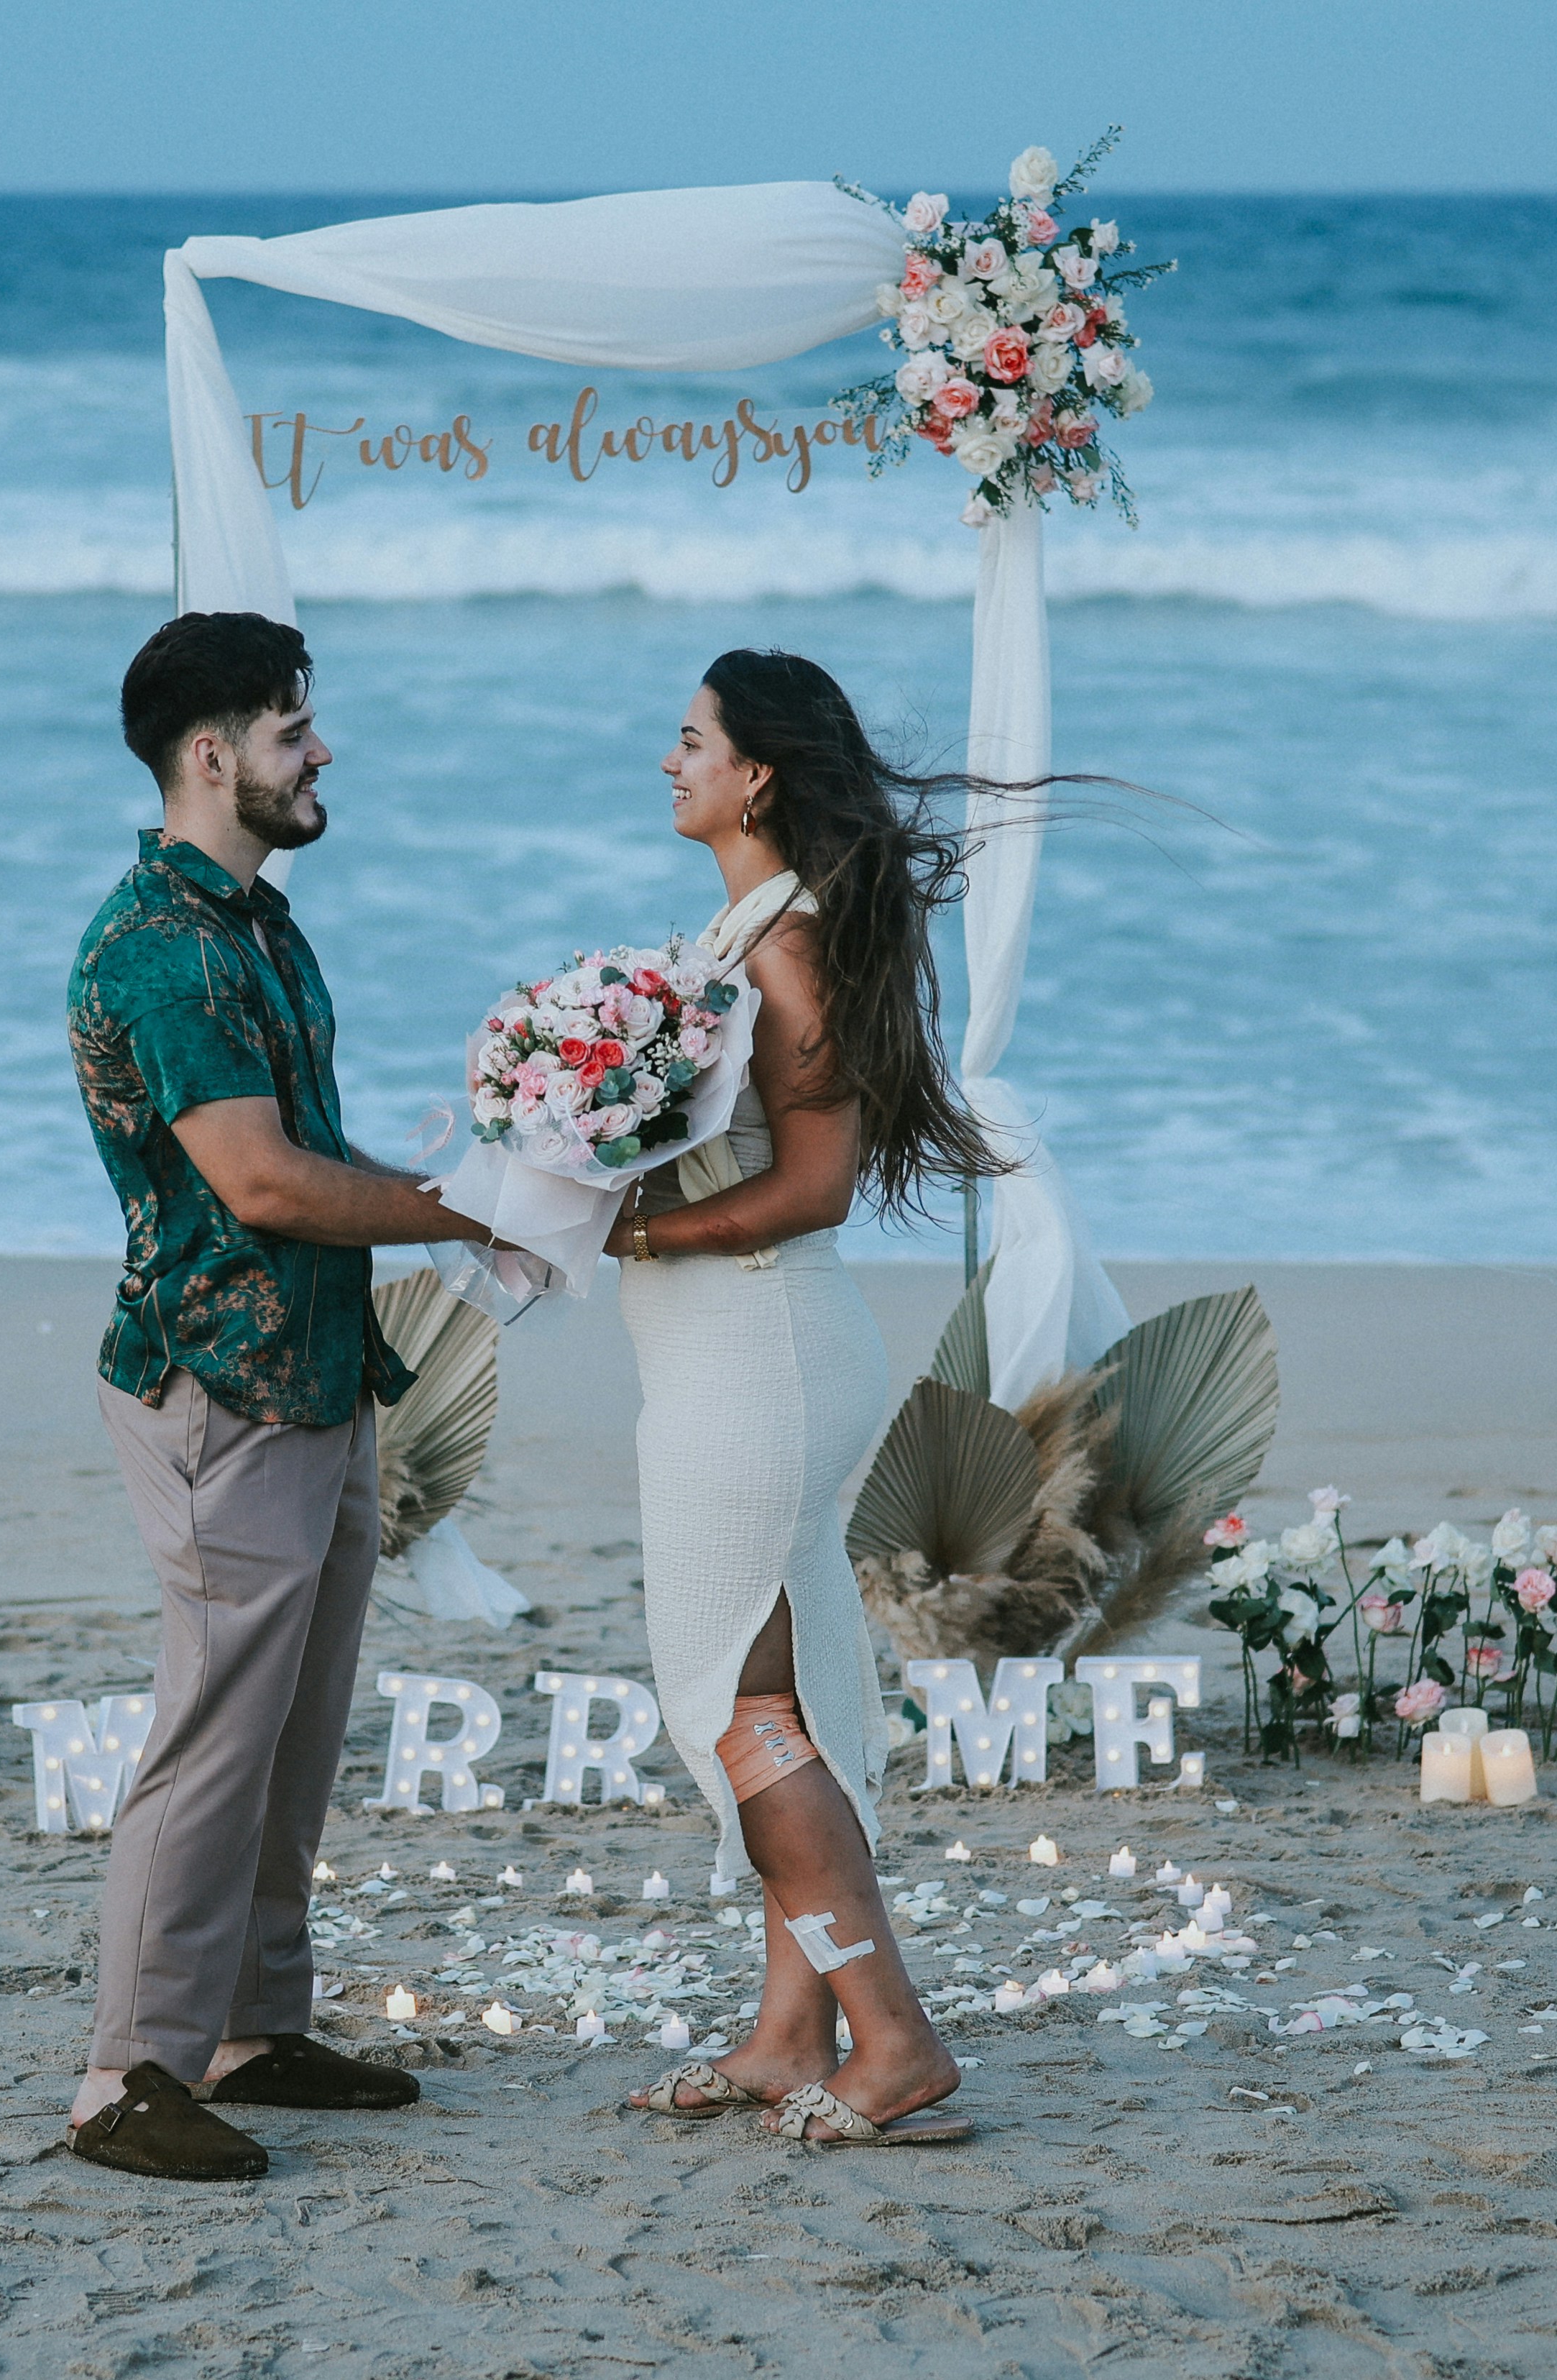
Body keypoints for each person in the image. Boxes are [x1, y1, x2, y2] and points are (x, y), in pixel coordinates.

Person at [59, 610, 505, 2182]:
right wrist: (460, 1207)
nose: (320, 752)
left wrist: (488, 1171)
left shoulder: (254, 919)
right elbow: (255, 1179)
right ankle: (126, 2075)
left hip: (315, 1370)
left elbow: (309, 1152)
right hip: (216, 1378)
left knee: (294, 1725)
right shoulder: (163, 949)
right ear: (210, 755)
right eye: (292, 729)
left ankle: (248, 2027)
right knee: (212, 1728)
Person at [612, 649, 1018, 2148]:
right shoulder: (754, 924)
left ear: (755, 774)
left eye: (688, 738)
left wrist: (636, 1227)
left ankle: (891, 2036)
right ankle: (790, 2033)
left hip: (755, 1360)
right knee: (787, 1697)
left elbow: (812, 1182)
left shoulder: (778, 945)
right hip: (742, 1359)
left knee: (733, 1703)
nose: (670, 762)